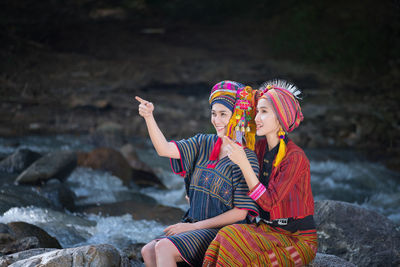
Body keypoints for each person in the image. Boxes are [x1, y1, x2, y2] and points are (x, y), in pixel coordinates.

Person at [137, 80, 260, 267]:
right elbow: (164, 149)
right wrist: (149, 117)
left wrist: (193, 227)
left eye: (223, 114)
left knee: (163, 248)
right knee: (147, 250)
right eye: (213, 114)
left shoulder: (246, 157)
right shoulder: (203, 142)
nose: (216, 120)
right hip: (193, 224)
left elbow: (240, 213)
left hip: (222, 232)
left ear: (238, 116)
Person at [203, 79, 318, 267]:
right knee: (226, 235)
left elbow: (269, 203)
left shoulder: (295, 157)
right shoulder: (259, 147)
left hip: (297, 239)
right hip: (266, 229)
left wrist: (244, 165)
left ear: (281, 117)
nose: (256, 118)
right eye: (257, 111)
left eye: (264, 112)